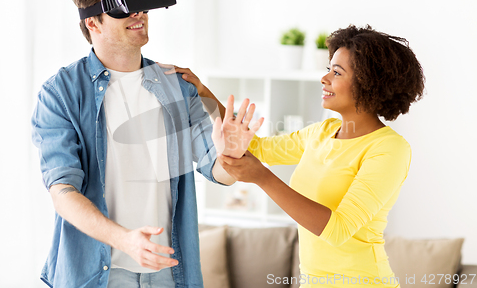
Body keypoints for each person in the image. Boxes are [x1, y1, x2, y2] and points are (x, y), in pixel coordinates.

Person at [31, 0, 260, 288]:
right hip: (96, 275)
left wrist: (231, 154)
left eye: (140, 4)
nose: (137, 13)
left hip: (168, 272)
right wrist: (125, 241)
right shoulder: (62, 93)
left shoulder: (177, 87)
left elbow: (216, 169)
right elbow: (62, 192)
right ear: (92, 22)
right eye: (121, 6)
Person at [173, 25, 425, 287]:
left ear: (369, 83)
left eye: (336, 72)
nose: (324, 79)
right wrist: (202, 92)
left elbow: (338, 230)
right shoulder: (322, 132)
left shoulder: (389, 149)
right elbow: (256, 147)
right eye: (328, 69)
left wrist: (263, 177)